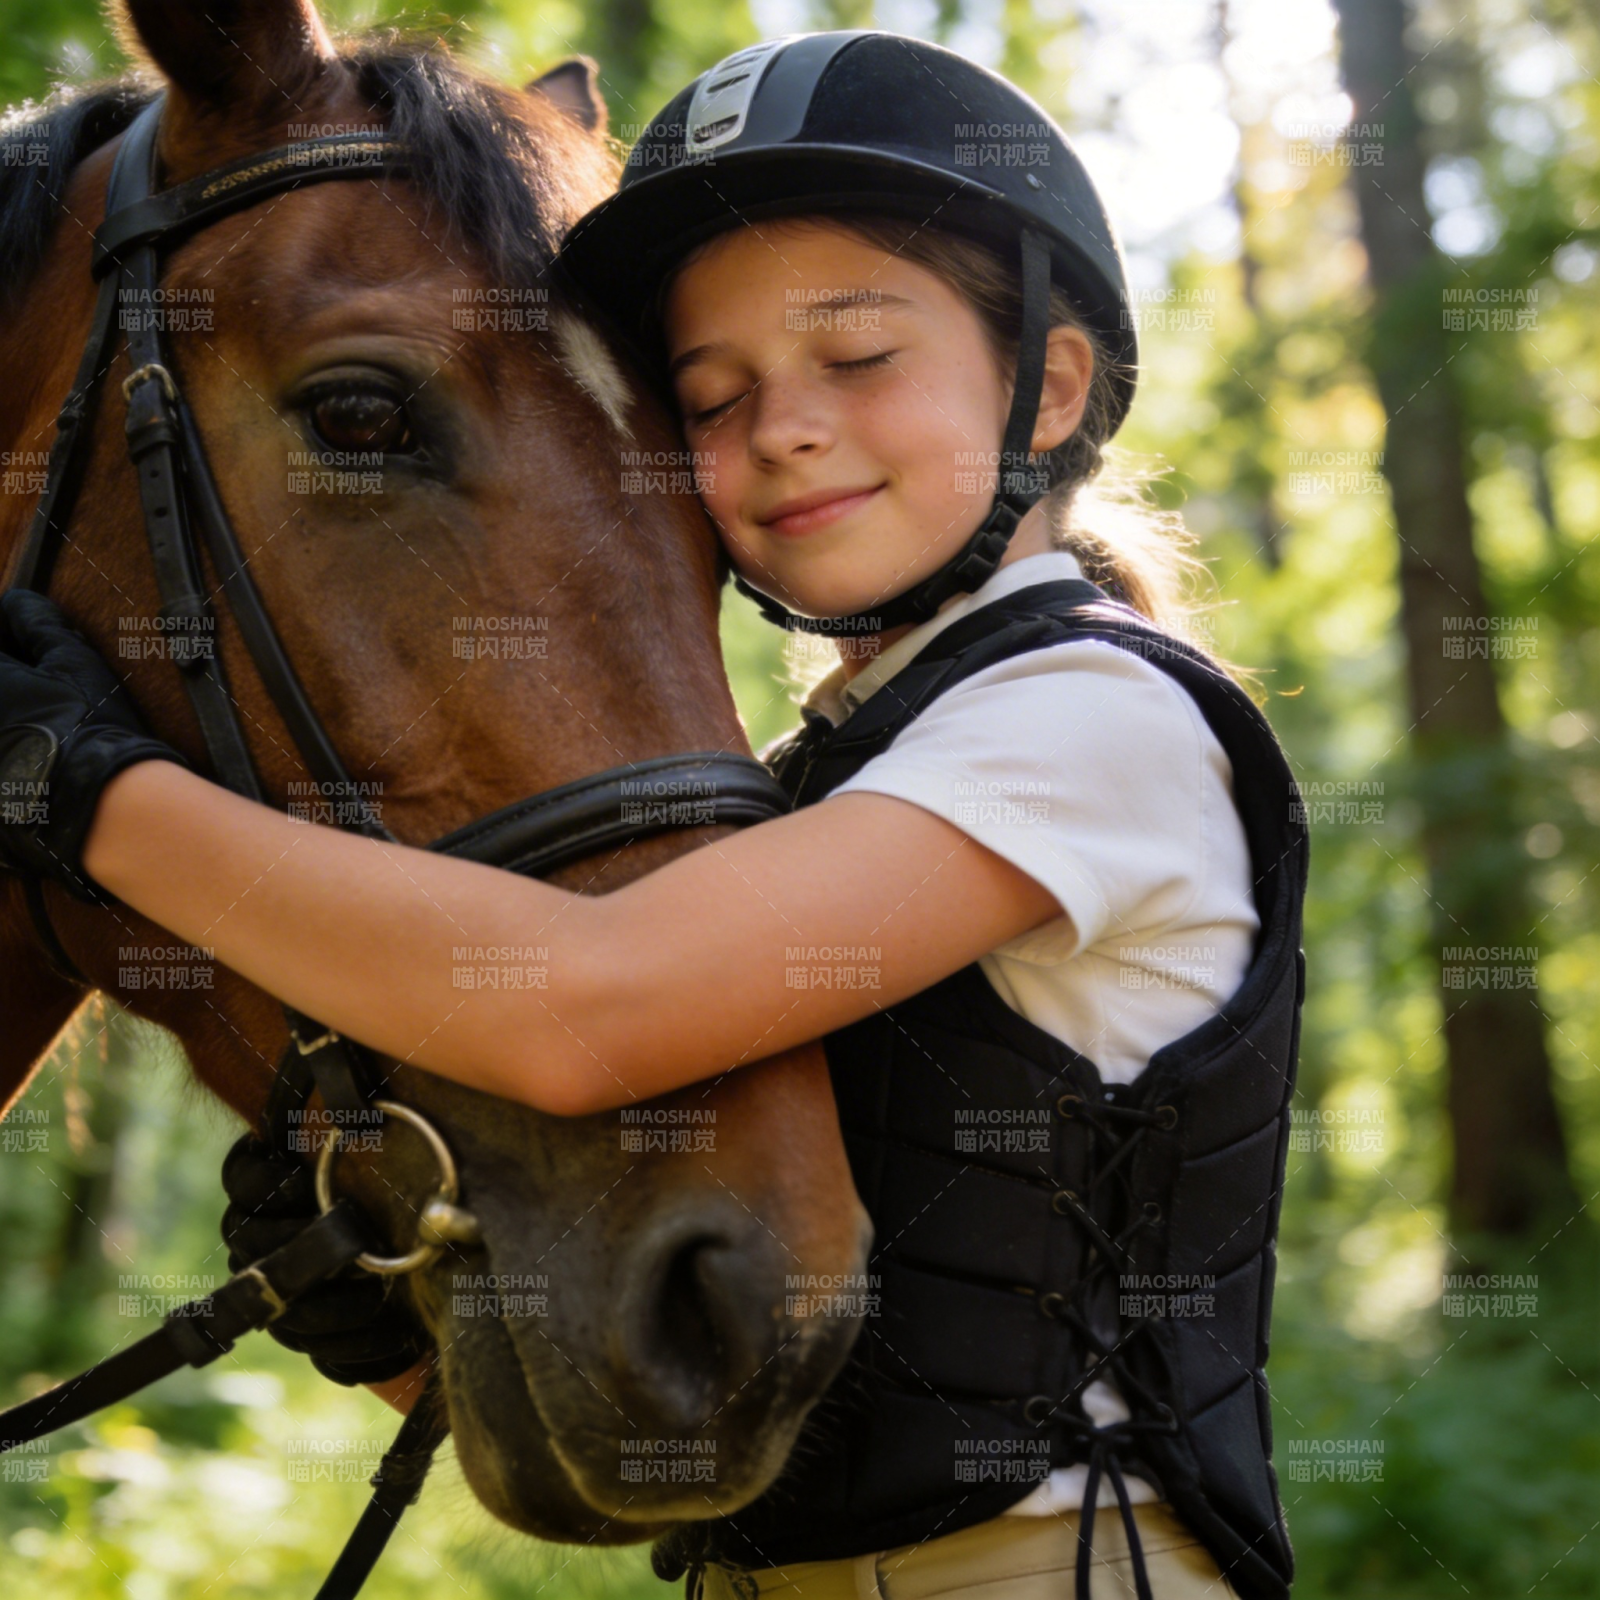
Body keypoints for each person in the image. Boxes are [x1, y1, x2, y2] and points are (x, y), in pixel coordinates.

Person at [0, 30, 1308, 1600]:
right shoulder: (832, 774)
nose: (783, 430)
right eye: (712, 392)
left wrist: (83, 786)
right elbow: (729, 1444)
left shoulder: (1095, 721)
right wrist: (396, 1335)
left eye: (860, 359)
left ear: (1054, 384)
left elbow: (581, 1005)